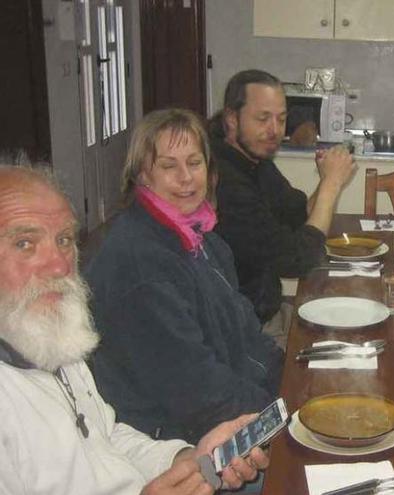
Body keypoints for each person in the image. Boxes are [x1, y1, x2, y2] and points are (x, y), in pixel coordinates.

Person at [0, 165, 267, 495]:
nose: (59, 265)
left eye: (64, 240)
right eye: (25, 243)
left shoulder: (47, 336)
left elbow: (106, 437)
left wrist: (183, 458)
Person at [85, 109, 283, 444]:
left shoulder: (204, 239)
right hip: (173, 441)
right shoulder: (140, 265)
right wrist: (282, 414)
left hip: (224, 407)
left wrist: (290, 377)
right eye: (168, 165)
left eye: (194, 162)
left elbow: (248, 334)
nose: (186, 177)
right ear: (142, 176)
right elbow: (197, 393)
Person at [209, 69, 356, 333]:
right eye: (263, 118)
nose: (274, 130)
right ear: (232, 119)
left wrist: (326, 182)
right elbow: (298, 260)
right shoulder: (224, 181)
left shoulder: (253, 156)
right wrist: (332, 186)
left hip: (264, 308)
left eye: (281, 119)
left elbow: (298, 213)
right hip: (240, 326)